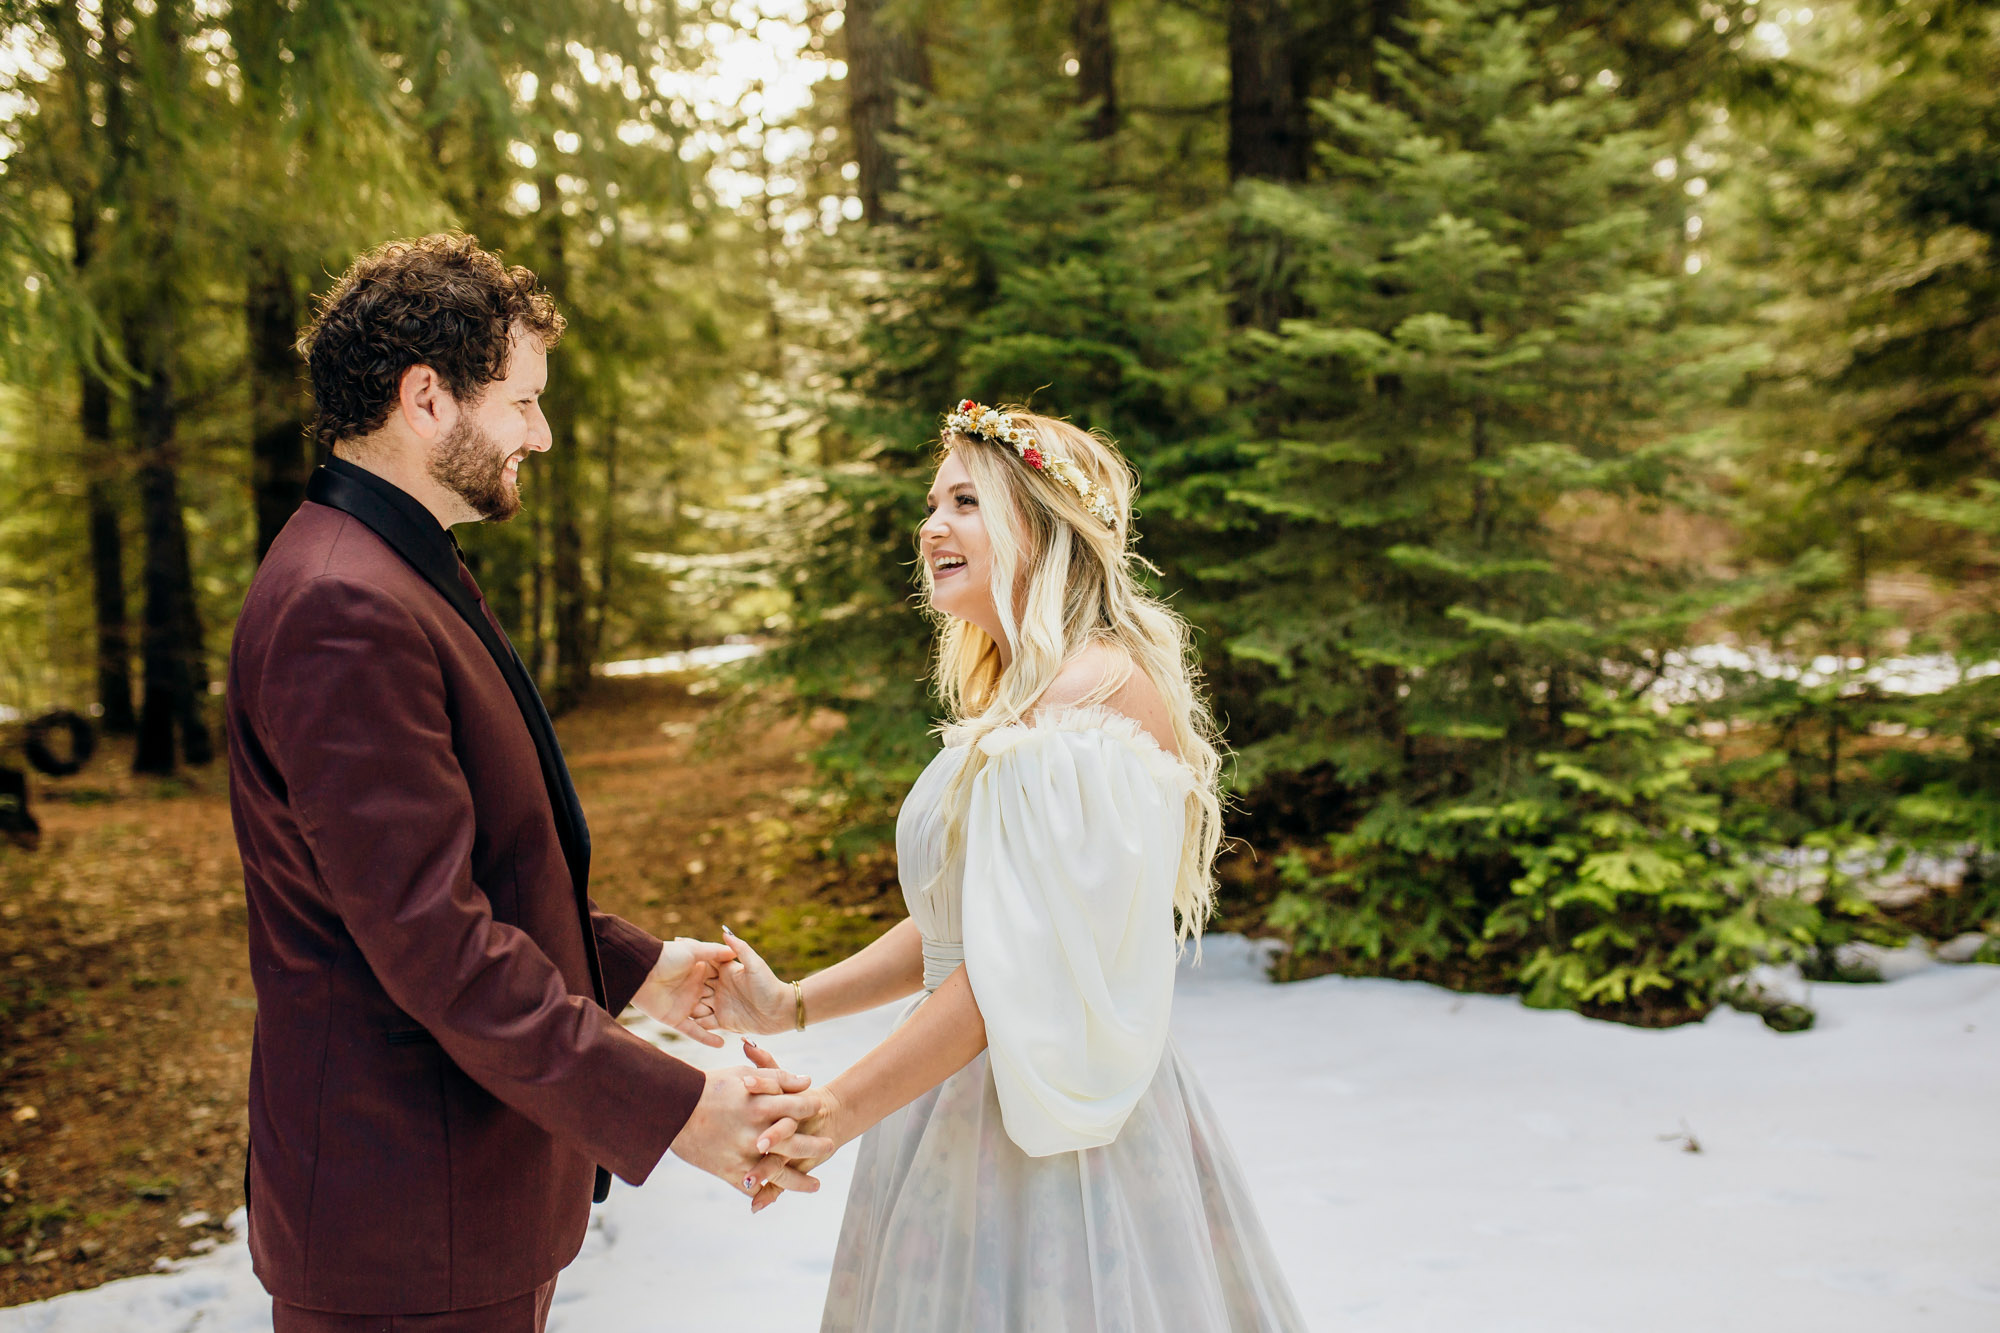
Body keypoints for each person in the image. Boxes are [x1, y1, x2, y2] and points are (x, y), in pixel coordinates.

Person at [225, 233, 828, 1332]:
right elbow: (437, 945)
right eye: (521, 402)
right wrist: (679, 1107)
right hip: (406, 1217)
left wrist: (639, 969)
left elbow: (475, 873)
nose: (538, 435)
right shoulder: (340, 605)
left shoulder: (394, 566)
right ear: (426, 399)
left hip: (461, 1203)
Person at [697, 404, 1307, 1331]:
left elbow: (1013, 976)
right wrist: (795, 1004)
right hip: (948, 1096)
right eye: (933, 502)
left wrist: (832, 1109)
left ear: (1041, 524)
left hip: (1047, 1125)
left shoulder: (1089, 696)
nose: (931, 525)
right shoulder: (1020, 697)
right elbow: (969, 922)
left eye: (966, 501)